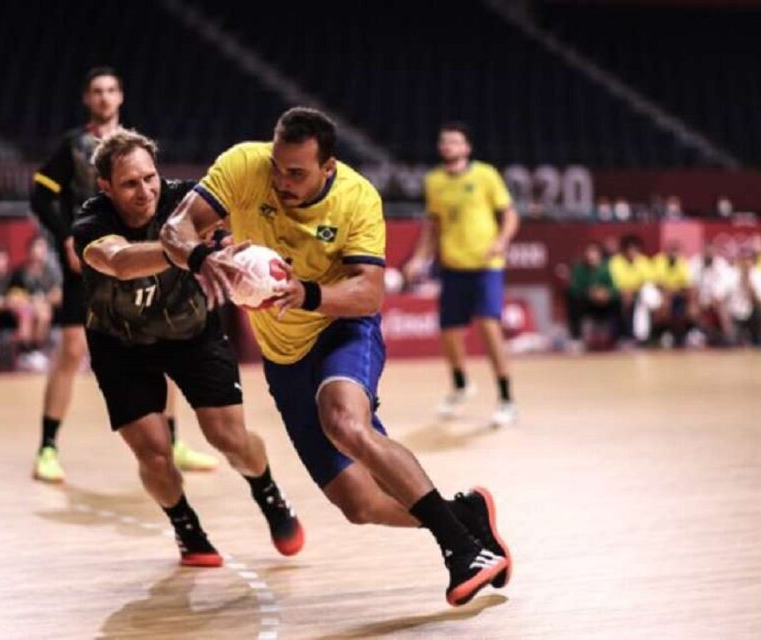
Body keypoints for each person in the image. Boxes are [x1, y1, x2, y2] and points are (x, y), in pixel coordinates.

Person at [161, 107, 511, 607]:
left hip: (340, 326)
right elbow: (175, 230)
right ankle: (465, 515)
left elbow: (369, 293)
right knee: (359, 503)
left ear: (328, 168)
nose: (281, 181)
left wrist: (306, 294)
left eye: (297, 173)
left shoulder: (357, 196)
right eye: (278, 167)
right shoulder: (243, 165)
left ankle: (461, 550)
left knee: (344, 422)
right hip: (283, 356)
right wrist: (201, 256)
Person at [73, 127, 303, 565]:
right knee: (154, 451)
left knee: (229, 437)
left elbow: (238, 222)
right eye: (129, 183)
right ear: (106, 187)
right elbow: (119, 263)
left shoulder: (185, 202)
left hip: (190, 330)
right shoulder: (91, 222)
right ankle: (186, 527)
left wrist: (239, 250)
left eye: (150, 178)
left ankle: (268, 490)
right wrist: (189, 252)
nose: (145, 191)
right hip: (119, 343)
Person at [30, 66, 213, 482]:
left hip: (139, 256)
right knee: (73, 350)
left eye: (111, 90)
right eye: (97, 91)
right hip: (91, 258)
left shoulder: (133, 147)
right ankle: (47, 447)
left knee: (165, 343)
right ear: (87, 99)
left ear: (121, 97)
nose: (105, 97)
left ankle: (172, 441)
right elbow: (41, 195)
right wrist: (64, 237)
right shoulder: (74, 146)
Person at [402, 123, 520, 426]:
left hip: (485, 266)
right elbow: (433, 225)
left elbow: (509, 215)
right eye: (444, 142)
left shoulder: (485, 175)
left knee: (489, 327)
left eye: (454, 141)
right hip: (453, 267)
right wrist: (419, 258)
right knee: (449, 333)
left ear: (466, 148)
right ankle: (460, 385)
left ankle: (506, 398)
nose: (448, 146)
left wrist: (501, 242)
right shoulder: (434, 181)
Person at [9, 235, 61, 372]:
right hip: (25, 308)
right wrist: (31, 302)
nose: (40, 251)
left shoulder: (51, 273)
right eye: (37, 247)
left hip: (45, 307)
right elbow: (14, 295)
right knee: (27, 313)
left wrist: (43, 301)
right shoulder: (20, 273)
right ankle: (25, 351)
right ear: (30, 250)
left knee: (43, 313)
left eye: (43, 247)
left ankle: (36, 350)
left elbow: (58, 294)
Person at [566, 242, 620, 350]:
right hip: (586, 303)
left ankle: (619, 338)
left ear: (599, 255)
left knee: (619, 302)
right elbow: (573, 289)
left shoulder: (606, 269)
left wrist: (606, 293)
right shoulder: (579, 268)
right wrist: (589, 293)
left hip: (604, 303)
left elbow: (615, 289)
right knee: (573, 300)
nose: (591, 256)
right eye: (589, 253)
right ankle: (576, 338)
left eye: (594, 253)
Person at [651, 242, 693, 347]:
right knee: (664, 303)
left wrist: (674, 292)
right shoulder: (659, 261)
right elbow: (657, 282)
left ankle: (679, 338)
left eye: (675, 251)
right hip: (660, 293)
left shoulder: (682, 263)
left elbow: (686, 284)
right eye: (670, 251)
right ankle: (657, 336)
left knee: (683, 304)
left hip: (676, 294)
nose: (673, 254)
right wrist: (667, 292)